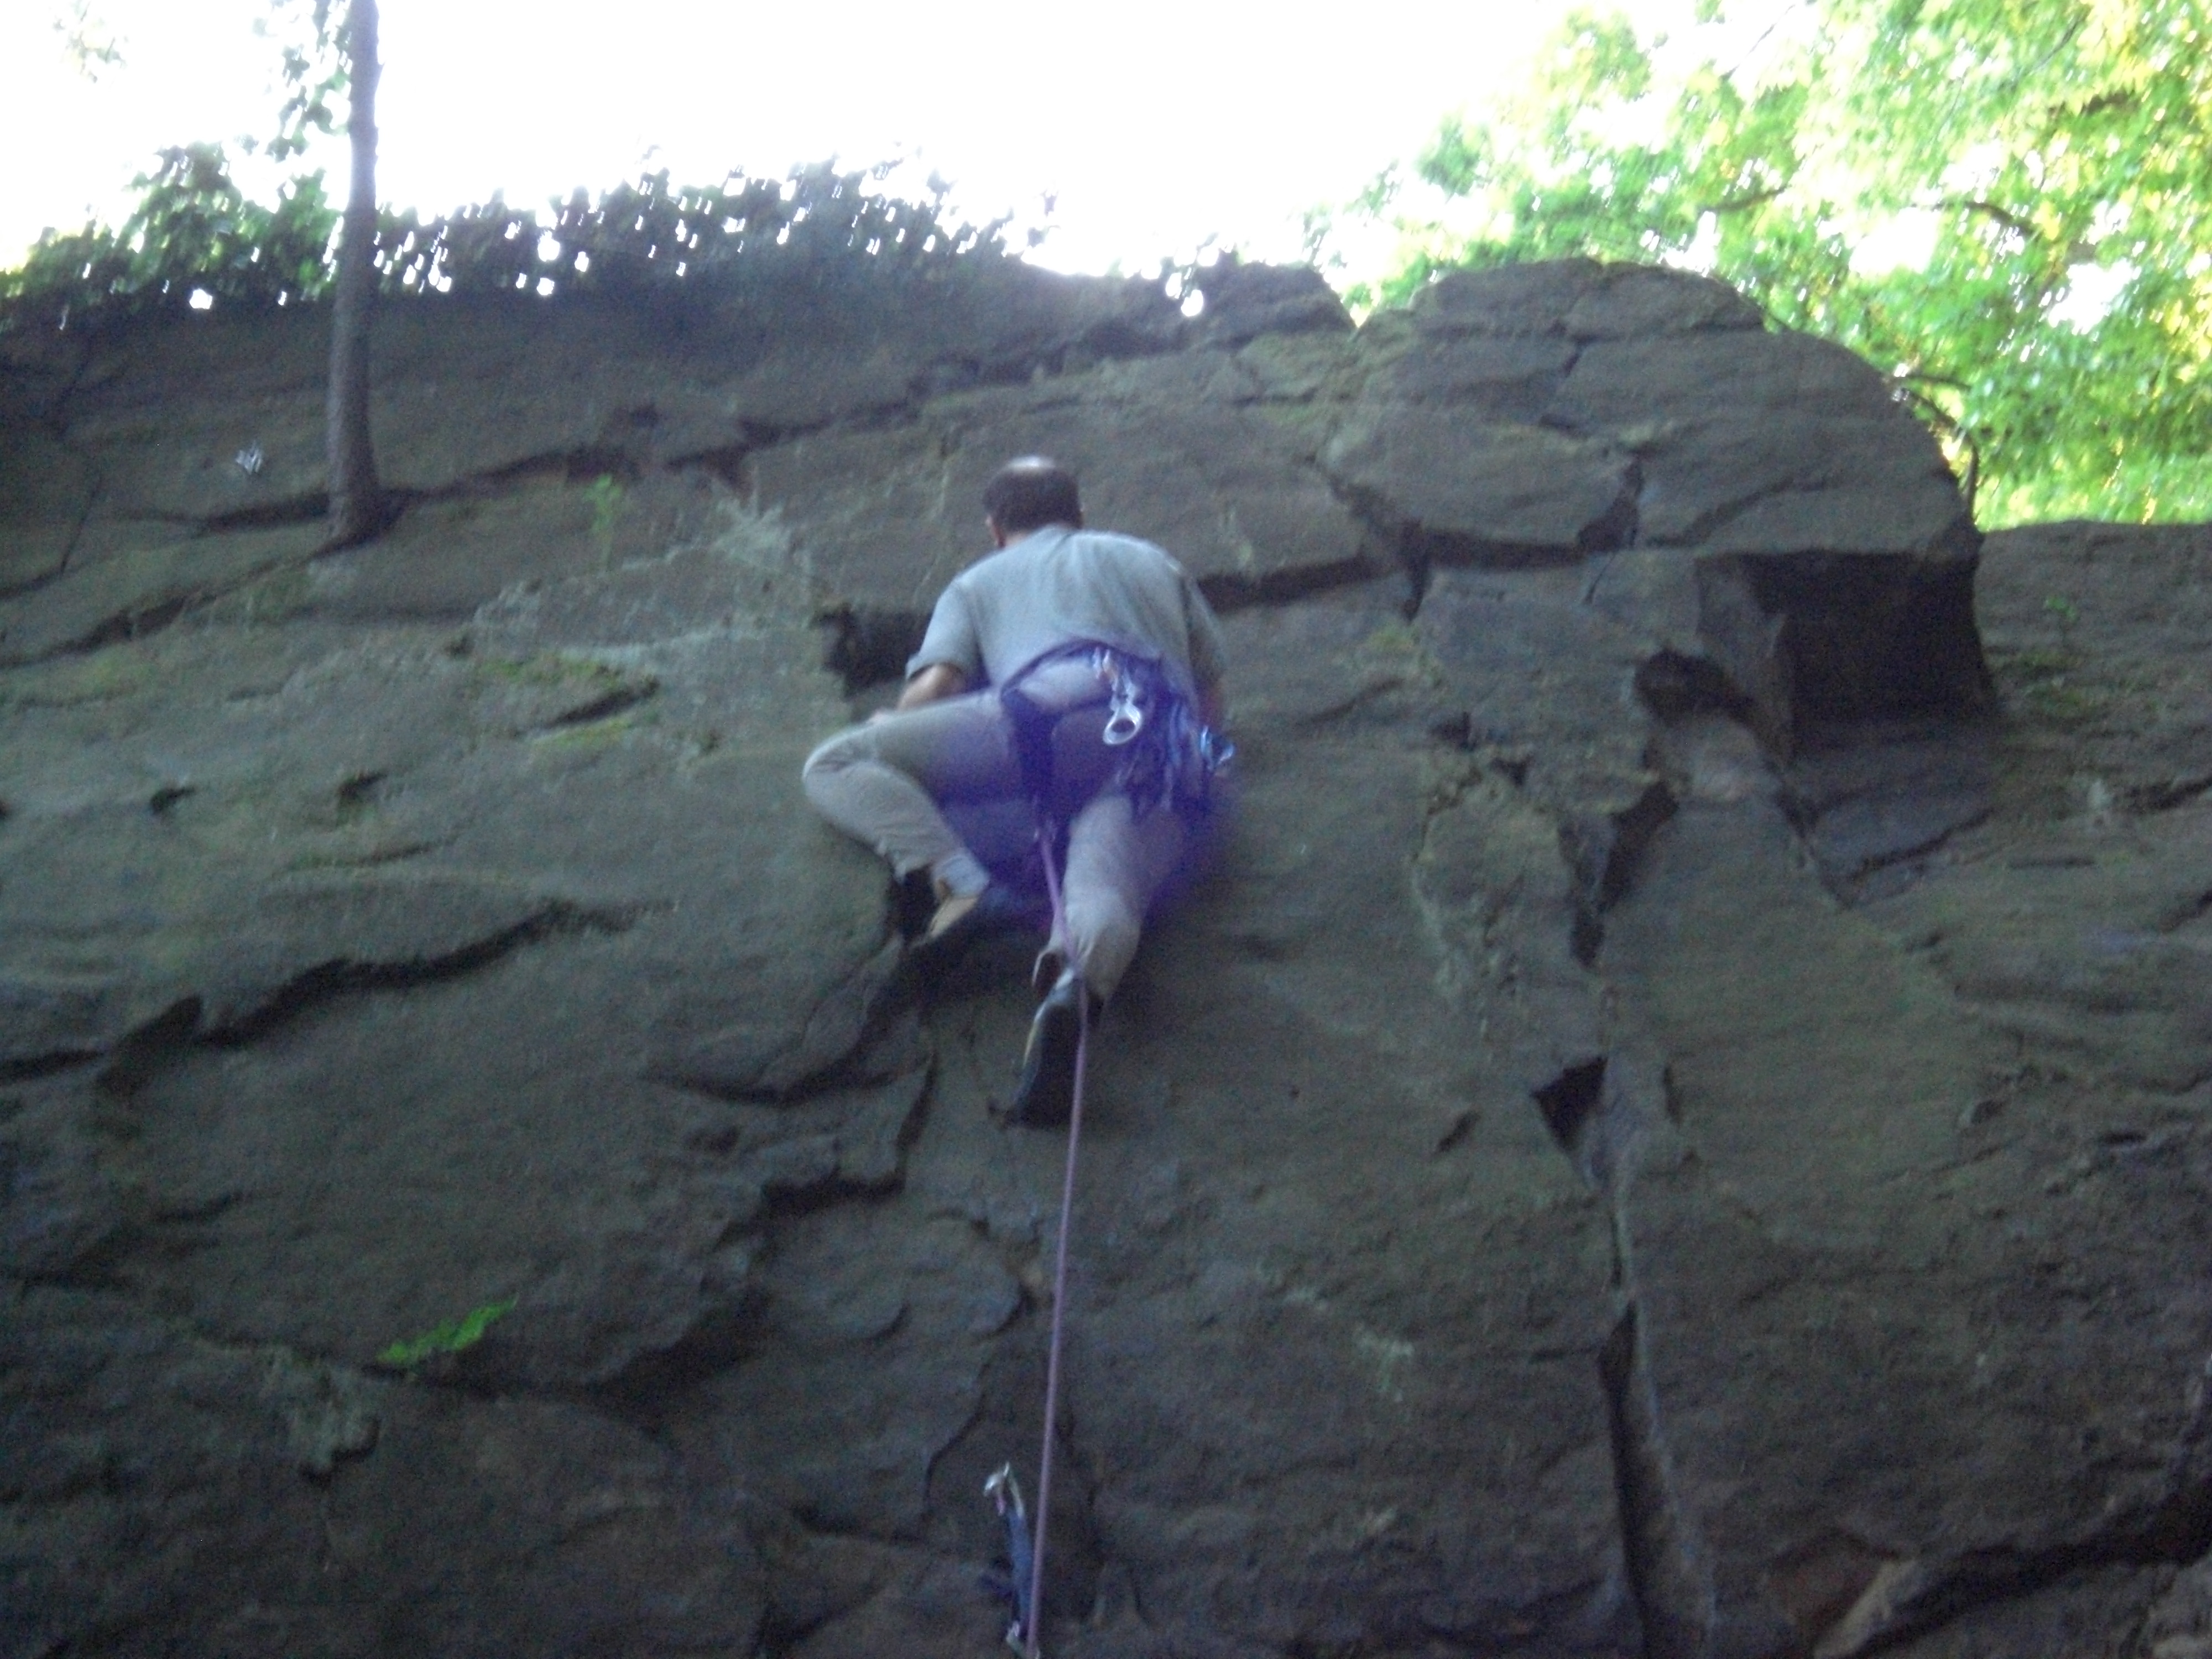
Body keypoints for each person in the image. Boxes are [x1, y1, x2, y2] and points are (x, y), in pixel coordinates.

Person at [802, 456, 1229, 1124]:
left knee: (835, 763)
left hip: (1056, 711)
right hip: (1163, 750)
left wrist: (897, 724)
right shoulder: (1152, 561)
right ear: (1078, 514)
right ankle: (1076, 988)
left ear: (995, 529)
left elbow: (939, 684)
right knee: (1107, 887)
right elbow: (1211, 699)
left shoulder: (979, 580)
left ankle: (963, 887)